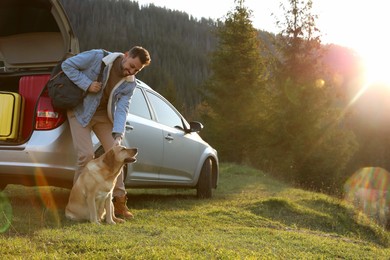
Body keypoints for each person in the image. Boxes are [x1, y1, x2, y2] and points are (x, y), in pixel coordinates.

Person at [62, 46, 151, 219]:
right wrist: (87, 84)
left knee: (120, 156)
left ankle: (118, 203)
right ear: (125, 55)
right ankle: (77, 203)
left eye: (136, 69)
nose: (131, 71)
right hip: (80, 111)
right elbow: (67, 66)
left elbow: (122, 109)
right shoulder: (97, 57)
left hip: (103, 117)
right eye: (131, 65)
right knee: (86, 155)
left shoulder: (130, 83)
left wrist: (118, 134)